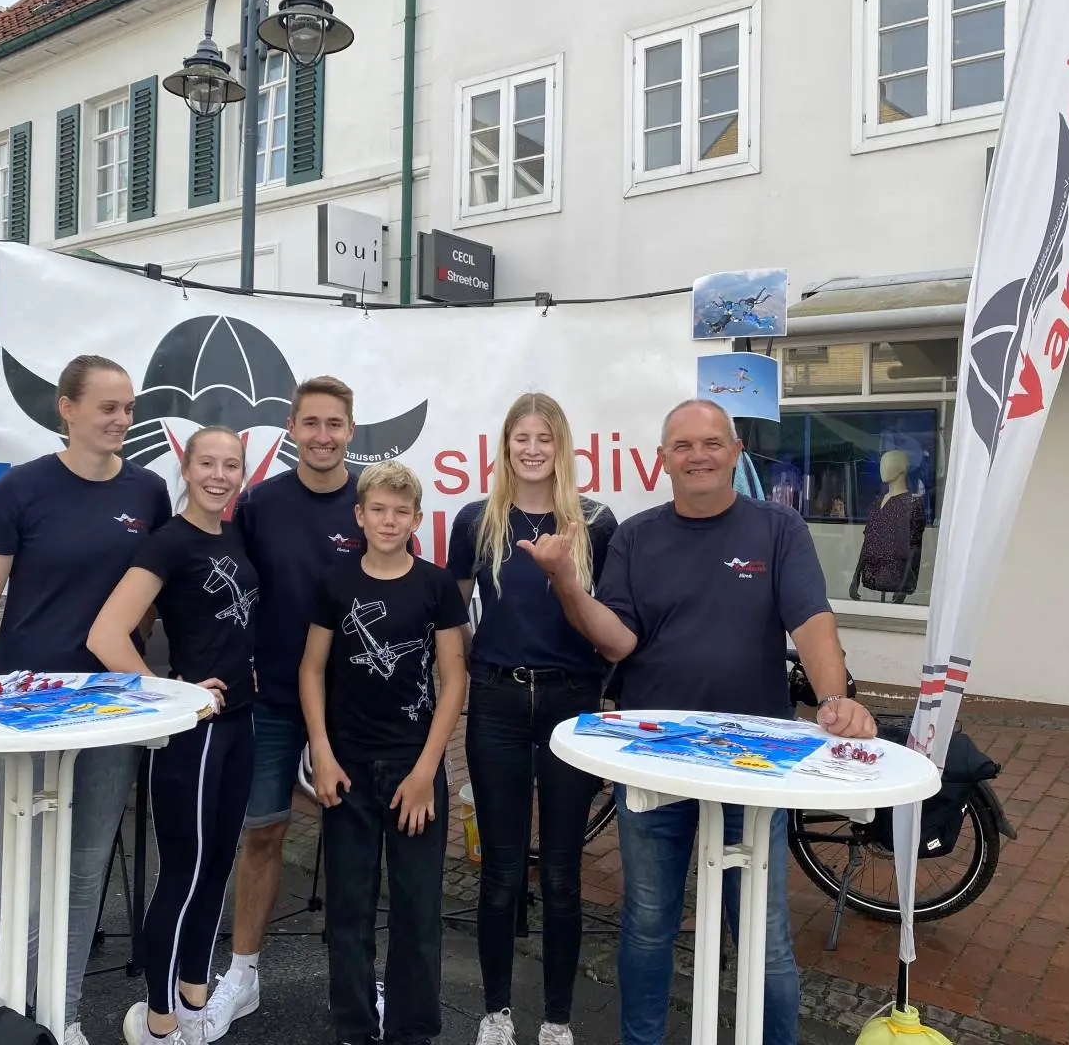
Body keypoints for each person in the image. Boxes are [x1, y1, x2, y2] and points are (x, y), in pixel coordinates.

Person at [520, 398, 878, 1045]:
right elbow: (618, 642)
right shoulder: (636, 535)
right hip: (653, 758)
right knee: (649, 922)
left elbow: (813, 621)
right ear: (662, 461)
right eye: (682, 446)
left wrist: (835, 698)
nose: (698, 455)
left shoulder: (778, 529)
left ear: (736, 454)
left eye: (712, 442)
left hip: (753, 765)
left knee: (763, 934)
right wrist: (568, 585)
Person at [0, 354, 173, 1045]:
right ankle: (11, 1019)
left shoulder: (147, 494)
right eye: (107, 407)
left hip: (107, 707)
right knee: (23, 871)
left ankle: (64, 1014)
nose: (120, 420)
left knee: (83, 873)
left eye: (129, 408)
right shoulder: (20, 491)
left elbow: (156, 601)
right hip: (21, 707)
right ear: (67, 410)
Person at [446, 393, 617, 1045]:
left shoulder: (596, 522)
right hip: (497, 705)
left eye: (544, 437)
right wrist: (474, 671)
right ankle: (495, 1013)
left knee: (566, 874)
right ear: (507, 444)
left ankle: (557, 1020)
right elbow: (453, 614)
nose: (533, 448)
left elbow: (613, 616)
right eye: (522, 437)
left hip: (572, 702)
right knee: (502, 872)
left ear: (561, 444)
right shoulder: (477, 521)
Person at [204, 376, 366, 1041]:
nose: (323, 436)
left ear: (351, 430)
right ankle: (242, 974)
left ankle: (358, 981)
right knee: (263, 833)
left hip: (354, 701)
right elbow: (231, 591)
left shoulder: (373, 500)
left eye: (336, 424)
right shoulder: (260, 504)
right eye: (311, 423)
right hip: (270, 696)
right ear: (291, 429)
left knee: (356, 843)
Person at [86, 426, 258, 1045]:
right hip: (195, 734)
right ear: (186, 467)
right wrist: (170, 694)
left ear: (242, 472)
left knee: (218, 863)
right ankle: (159, 1021)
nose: (219, 474)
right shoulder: (168, 543)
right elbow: (107, 634)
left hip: (242, 722)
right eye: (207, 463)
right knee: (182, 870)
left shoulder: (235, 534)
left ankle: (194, 994)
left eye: (230, 465)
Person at [300, 460, 469, 1045]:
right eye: (378, 510)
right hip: (345, 768)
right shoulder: (336, 582)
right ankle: (354, 1026)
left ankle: (413, 1029)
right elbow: (312, 667)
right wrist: (321, 750)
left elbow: (454, 679)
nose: (389, 520)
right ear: (360, 515)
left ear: (417, 519)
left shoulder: (436, 586)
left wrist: (427, 771)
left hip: (412, 770)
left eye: (401, 512)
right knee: (348, 910)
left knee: (418, 909)